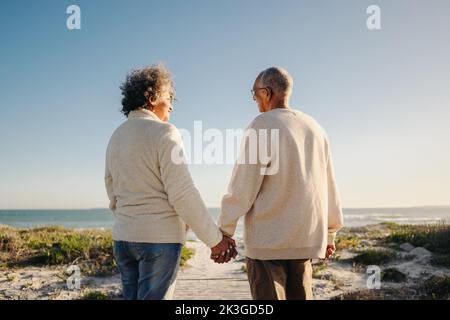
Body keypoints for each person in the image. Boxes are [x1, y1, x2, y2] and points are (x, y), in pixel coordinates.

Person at [105, 64, 236, 300]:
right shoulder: (165, 132)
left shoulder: (117, 135)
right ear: (153, 97)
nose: (172, 105)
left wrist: (130, 220)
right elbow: (182, 193)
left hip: (123, 239)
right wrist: (215, 241)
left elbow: (111, 188)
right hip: (159, 240)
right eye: (169, 97)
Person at [217, 67, 344, 300]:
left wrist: (224, 231)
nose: (255, 100)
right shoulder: (316, 128)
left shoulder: (262, 124)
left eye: (254, 94)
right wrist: (330, 234)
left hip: (268, 242)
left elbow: (242, 186)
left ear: (266, 92)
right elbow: (329, 186)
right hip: (305, 241)